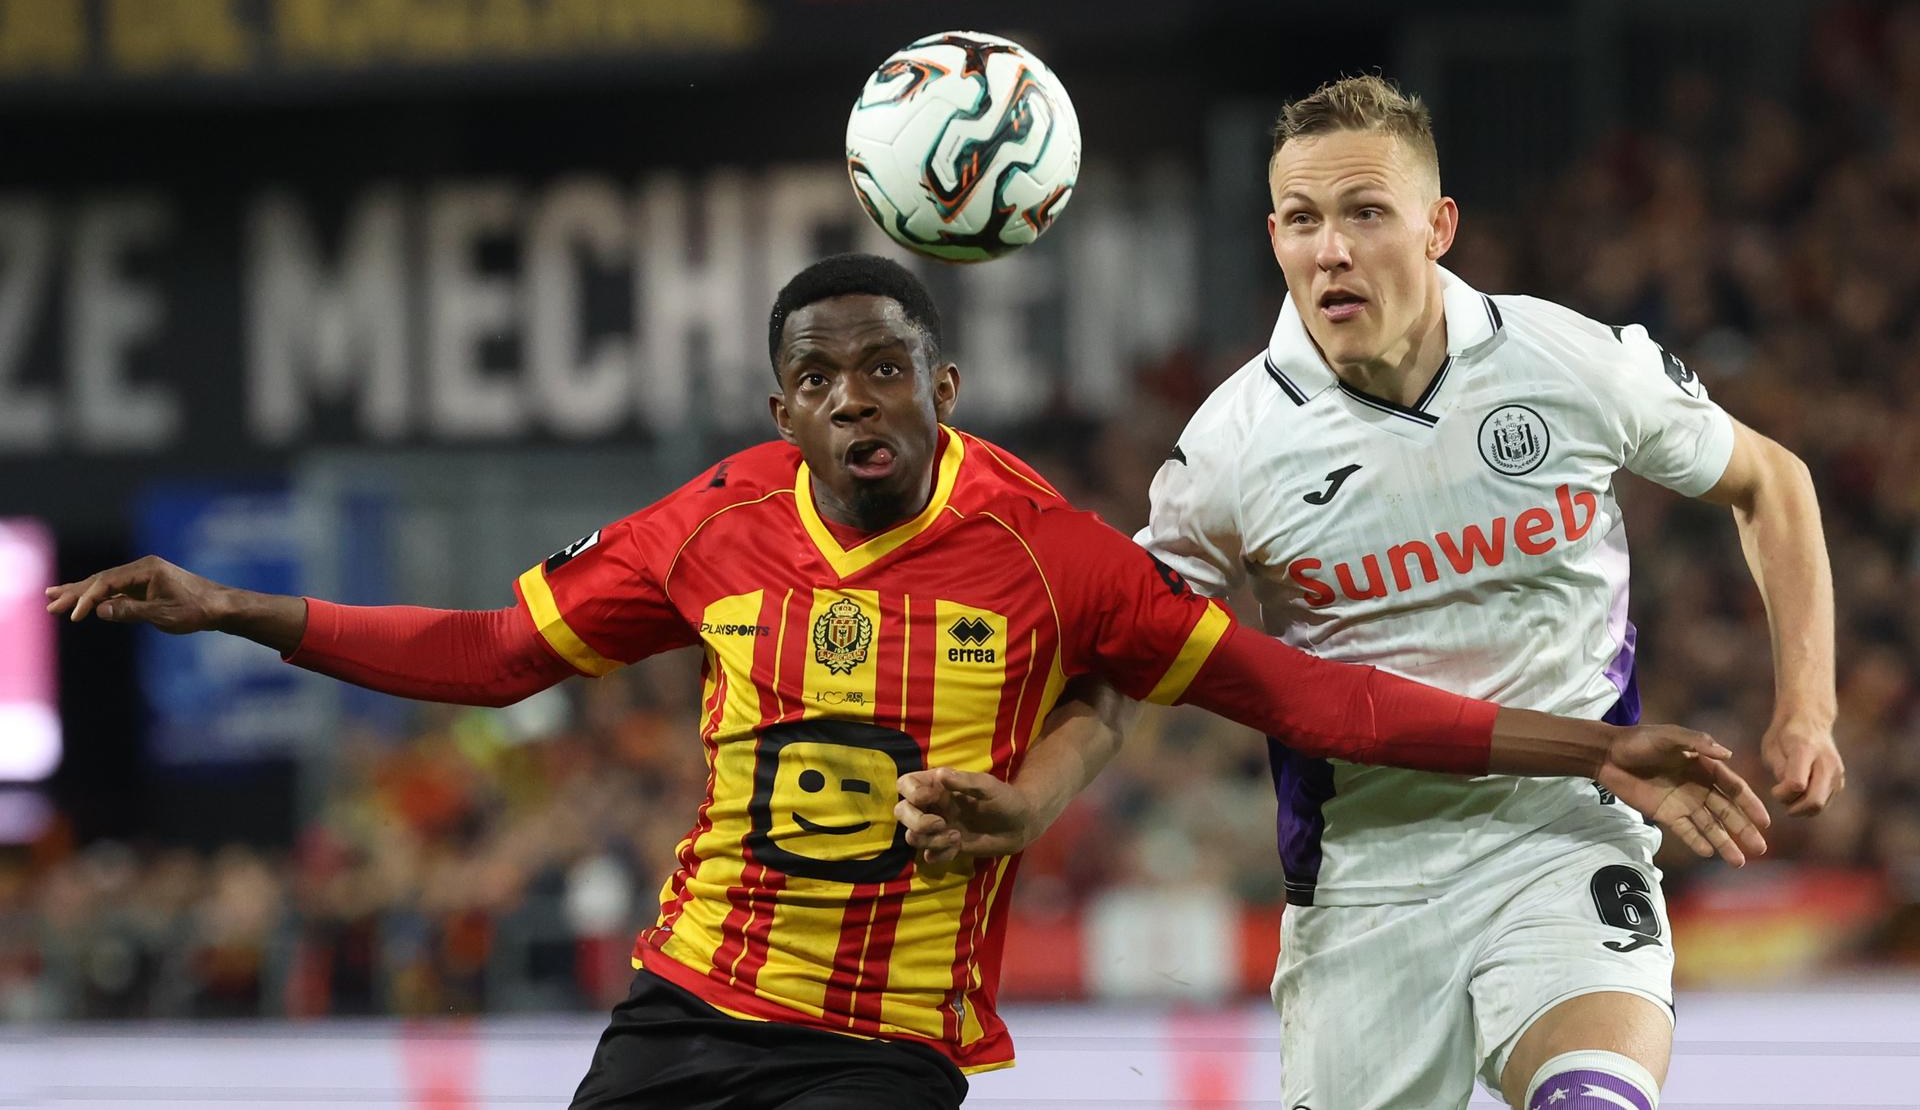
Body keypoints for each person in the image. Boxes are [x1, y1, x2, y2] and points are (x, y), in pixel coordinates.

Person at [47, 254, 1766, 1110]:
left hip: (877, 1051)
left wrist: (1598, 741)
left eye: (888, 363)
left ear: (942, 378)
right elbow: (496, 658)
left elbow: (1309, 695)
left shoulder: (1048, 551)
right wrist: (237, 606)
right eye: (821, 375)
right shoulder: (706, 524)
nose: (858, 393)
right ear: (781, 404)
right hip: (685, 1009)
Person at [901, 76, 1838, 1110]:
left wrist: (1808, 708)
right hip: (1364, 886)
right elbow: (1131, 663)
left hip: (1568, 832)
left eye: (1364, 213)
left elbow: (1772, 483)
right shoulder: (1230, 448)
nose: (1331, 249)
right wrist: (1035, 798)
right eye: (1302, 221)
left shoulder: (1567, 363)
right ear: (1273, 237)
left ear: (1438, 226)